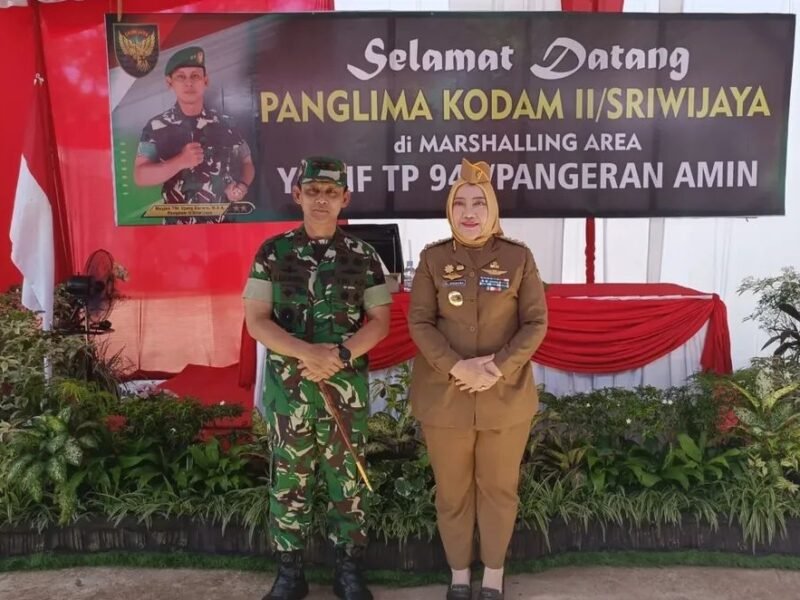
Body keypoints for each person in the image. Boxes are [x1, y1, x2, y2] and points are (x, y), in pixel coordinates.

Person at [243, 156, 392, 600]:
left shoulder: (364, 256)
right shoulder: (272, 253)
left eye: (330, 192)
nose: (321, 200)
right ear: (298, 195)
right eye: (313, 191)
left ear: (345, 198)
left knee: (347, 481)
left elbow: (380, 321)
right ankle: (291, 573)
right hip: (290, 393)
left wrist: (340, 355)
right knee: (289, 481)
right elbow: (256, 320)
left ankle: (348, 571)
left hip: (343, 391)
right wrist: (308, 353)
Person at [407, 159, 548, 600]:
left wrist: (496, 368)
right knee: (452, 493)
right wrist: (457, 366)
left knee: (498, 490)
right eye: (460, 203)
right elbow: (420, 322)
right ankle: (458, 573)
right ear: (450, 210)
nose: (469, 212)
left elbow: (535, 323)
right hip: (444, 399)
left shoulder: (518, 257)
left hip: (504, 398)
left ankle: (493, 573)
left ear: (493, 209)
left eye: (479, 203)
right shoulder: (433, 259)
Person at [133, 46, 255, 224]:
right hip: (178, 229)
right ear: (169, 83)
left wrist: (241, 186)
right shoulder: (156, 126)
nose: (189, 83)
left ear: (206, 81)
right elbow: (140, 176)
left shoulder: (227, 124)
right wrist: (180, 161)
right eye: (181, 77)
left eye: (195, 76)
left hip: (223, 226)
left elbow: (247, 162)